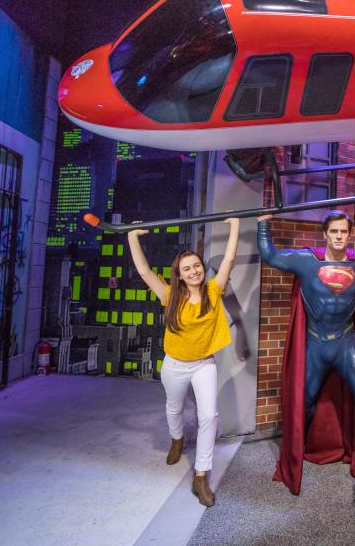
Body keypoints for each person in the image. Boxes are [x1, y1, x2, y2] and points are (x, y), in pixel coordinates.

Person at [257, 201, 355, 502]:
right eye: (334, 231)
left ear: (350, 234)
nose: (339, 236)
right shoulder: (306, 262)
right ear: (325, 234)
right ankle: (299, 452)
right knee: (304, 401)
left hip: (346, 343)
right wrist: (262, 223)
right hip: (315, 344)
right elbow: (269, 255)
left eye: (344, 231)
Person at [127, 217, 240, 507]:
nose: (194, 271)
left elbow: (229, 257)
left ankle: (201, 476)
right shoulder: (169, 295)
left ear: (203, 268)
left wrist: (235, 224)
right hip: (175, 364)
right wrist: (132, 235)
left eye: (197, 266)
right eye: (187, 268)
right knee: (174, 407)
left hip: (204, 364)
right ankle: (176, 439)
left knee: (208, 417)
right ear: (179, 274)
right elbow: (143, 271)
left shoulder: (214, 290)